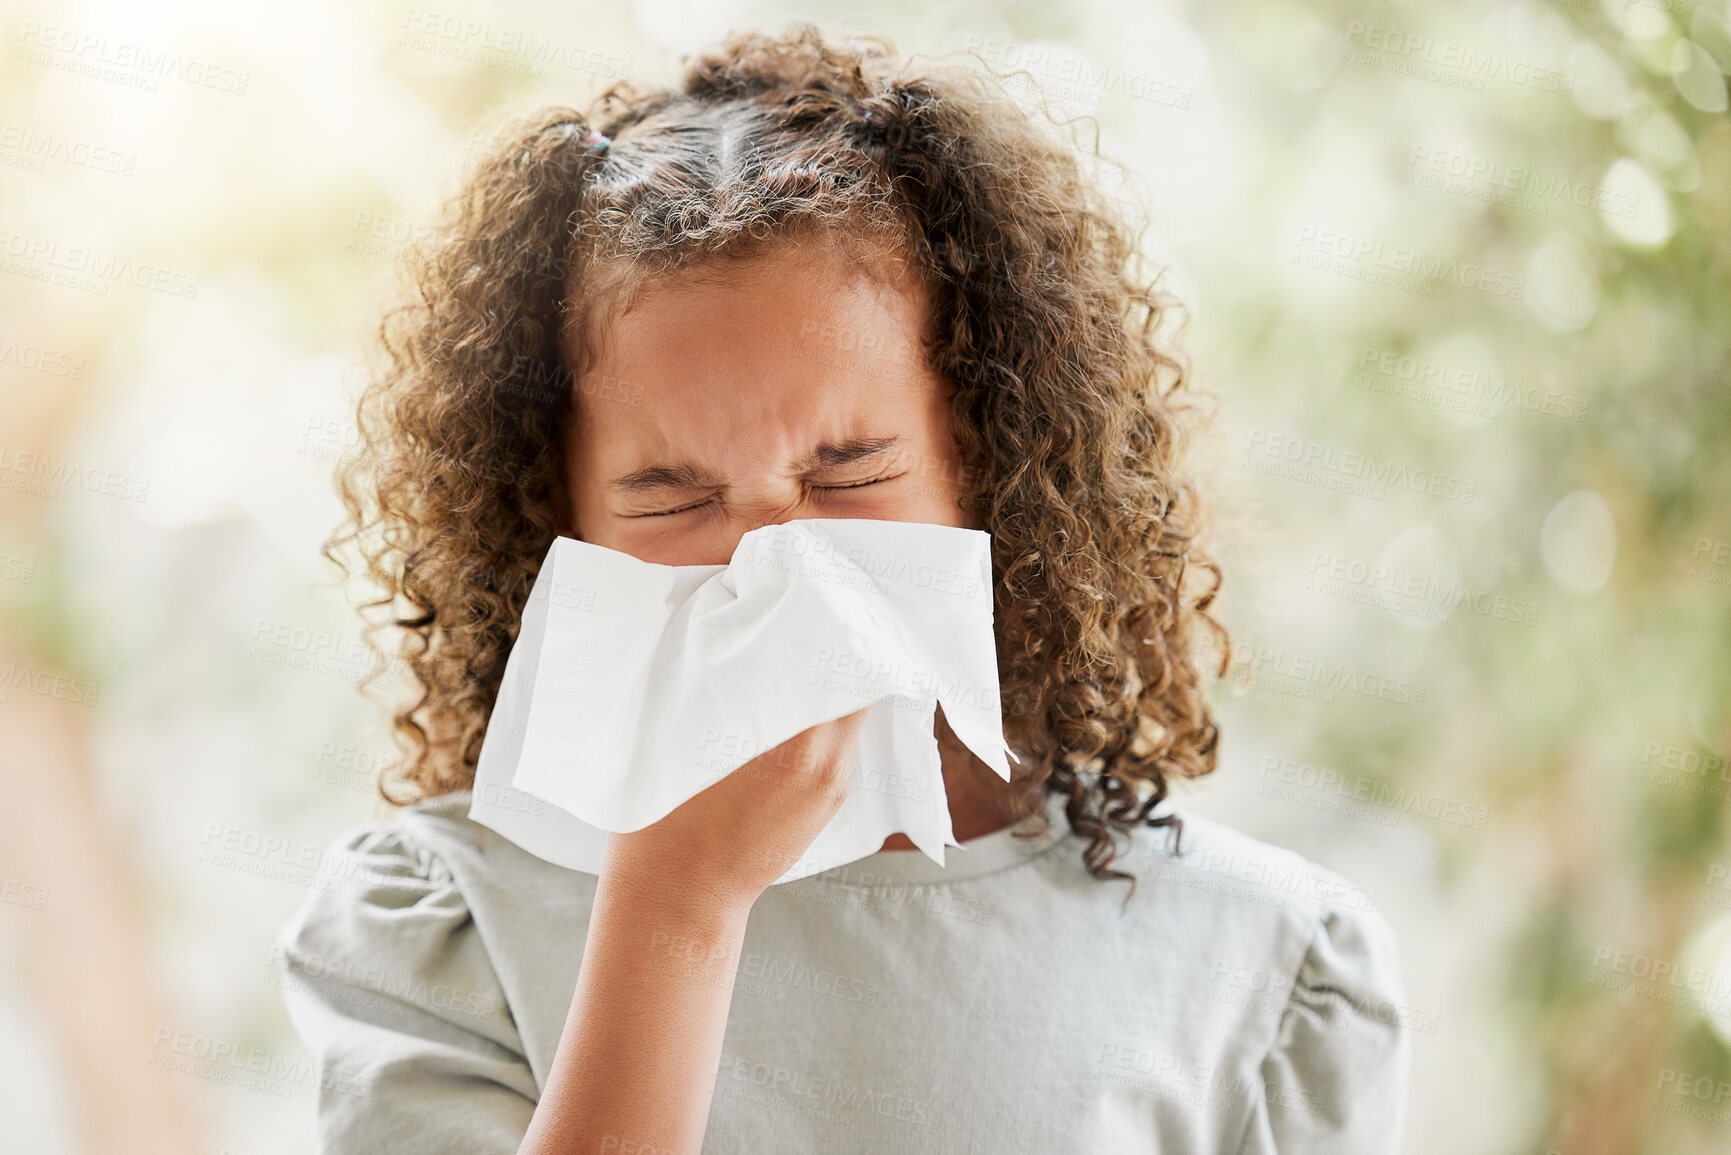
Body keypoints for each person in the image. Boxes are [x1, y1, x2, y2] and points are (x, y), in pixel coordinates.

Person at [277, 23, 1410, 1154]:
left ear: (988, 464)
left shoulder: (1256, 960)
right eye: (674, 498)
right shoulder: (445, 922)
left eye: (851, 472)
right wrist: (677, 906)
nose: (775, 560)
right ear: (554, 517)